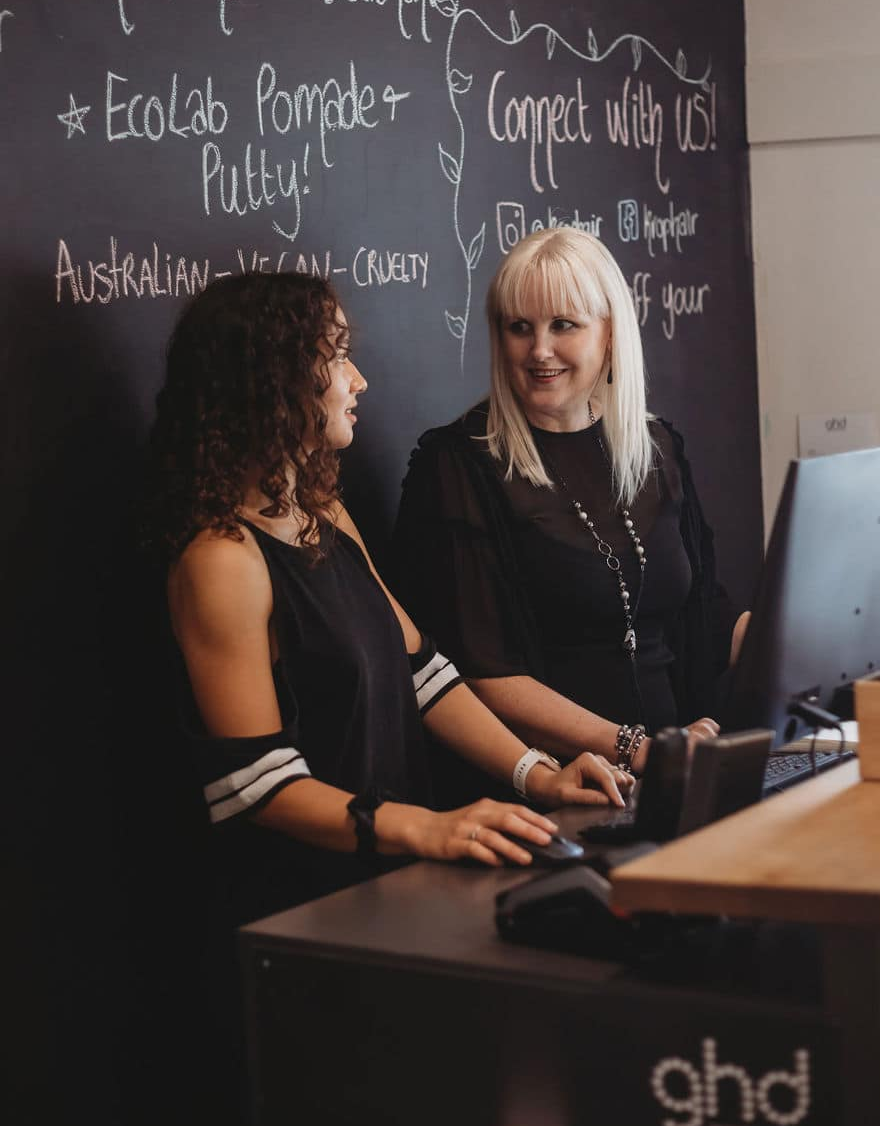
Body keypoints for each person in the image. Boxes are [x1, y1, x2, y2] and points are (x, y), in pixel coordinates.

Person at [144, 270, 630, 933]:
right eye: (337, 355)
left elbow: (422, 672)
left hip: (390, 883)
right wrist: (428, 829)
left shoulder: (324, 513)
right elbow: (256, 784)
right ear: (273, 381)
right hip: (302, 915)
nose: (358, 380)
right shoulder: (222, 562)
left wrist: (535, 776)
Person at [392, 228, 749, 795]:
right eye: (519, 328)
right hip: (551, 791)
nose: (539, 350)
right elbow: (478, 671)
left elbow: (698, 613)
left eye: (564, 325)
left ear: (609, 333)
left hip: (671, 778)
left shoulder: (656, 449)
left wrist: (793, 636)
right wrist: (637, 748)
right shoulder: (458, 467)